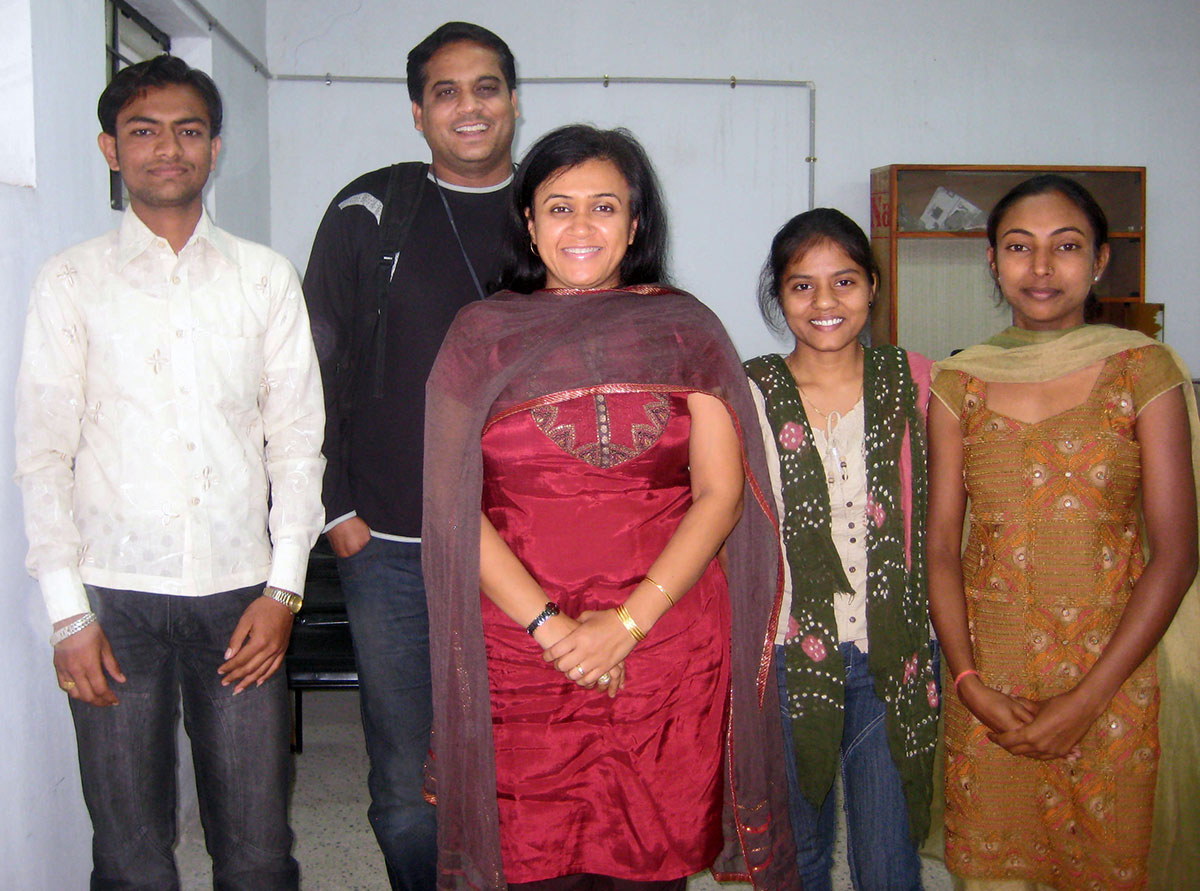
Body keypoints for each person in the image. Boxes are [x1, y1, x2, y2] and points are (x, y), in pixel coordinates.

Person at [422, 124, 798, 891]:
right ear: (528, 222)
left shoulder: (687, 331)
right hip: (521, 649)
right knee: (532, 859)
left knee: (649, 864)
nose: (582, 227)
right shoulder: (479, 338)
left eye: (604, 206)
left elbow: (721, 495)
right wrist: (554, 629)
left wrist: (626, 626)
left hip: (666, 648)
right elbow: (453, 510)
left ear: (635, 224)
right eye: (559, 207)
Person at [14, 55, 325, 888]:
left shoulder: (264, 278)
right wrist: (66, 615)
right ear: (110, 149)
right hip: (112, 602)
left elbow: (296, 445)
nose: (167, 148)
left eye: (188, 131)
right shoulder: (72, 282)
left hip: (241, 597)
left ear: (214, 148)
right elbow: (43, 452)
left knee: (258, 851)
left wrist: (284, 589)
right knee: (129, 852)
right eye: (143, 131)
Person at [926, 173, 1200, 890]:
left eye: (1066, 246)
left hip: (1114, 684)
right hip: (994, 690)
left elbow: (1175, 553)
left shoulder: (1145, 370)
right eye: (1019, 246)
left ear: (1101, 259)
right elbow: (941, 548)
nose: (1041, 267)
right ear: (992, 261)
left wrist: (1086, 700)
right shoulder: (960, 383)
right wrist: (968, 683)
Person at [302, 21, 518, 889]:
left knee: (522, 752)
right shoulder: (371, 210)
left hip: (526, 541)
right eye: (446, 91)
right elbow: (310, 364)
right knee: (404, 775)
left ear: (512, 98)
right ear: (419, 112)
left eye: (486, 87)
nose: (469, 107)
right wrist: (337, 509)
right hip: (388, 541)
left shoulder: (558, 211)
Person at [744, 209, 939, 891]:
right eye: (802, 287)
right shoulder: (749, 392)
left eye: (845, 281)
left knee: (890, 860)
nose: (825, 303)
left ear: (874, 286)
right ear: (779, 296)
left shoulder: (917, 381)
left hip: (897, 654)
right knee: (796, 853)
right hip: (791, 655)